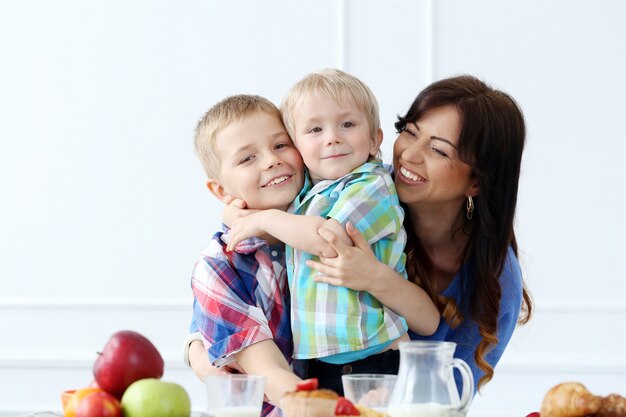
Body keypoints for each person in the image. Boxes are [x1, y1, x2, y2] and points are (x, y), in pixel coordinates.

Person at [306, 75, 533, 392]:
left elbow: (447, 399)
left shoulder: (494, 280)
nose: (409, 155)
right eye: (409, 132)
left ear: (477, 183)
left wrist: (376, 278)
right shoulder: (361, 195)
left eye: (439, 151)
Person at [223, 68, 440, 394]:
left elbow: (328, 239)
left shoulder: (371, 186)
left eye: (348, 124)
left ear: (374, 140)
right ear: (297, 146)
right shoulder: (310, 191)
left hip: (376, 359)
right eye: (314, 129)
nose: (332, 137)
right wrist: (237, 213)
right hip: (322, 362)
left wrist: (261, 219)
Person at [188, 94, 309, 415]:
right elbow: (268, 375)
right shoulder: (217, 267)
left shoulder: (331, 218)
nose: (271, 160)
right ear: (221, 191)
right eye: (247, 159)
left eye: (281, 145)